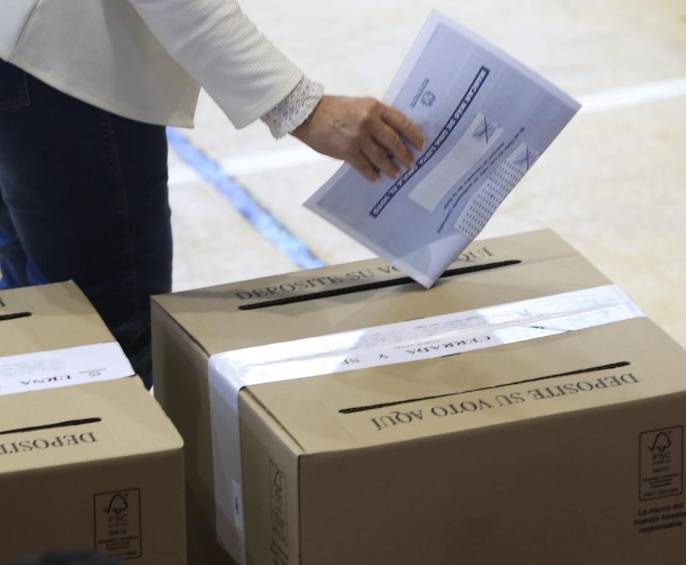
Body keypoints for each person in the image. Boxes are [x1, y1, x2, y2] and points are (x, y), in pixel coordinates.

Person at [0, 0, 424, 388]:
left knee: (37, 312)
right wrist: (301, 107)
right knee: (105, 344)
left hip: (20, 47)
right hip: (62, 67)